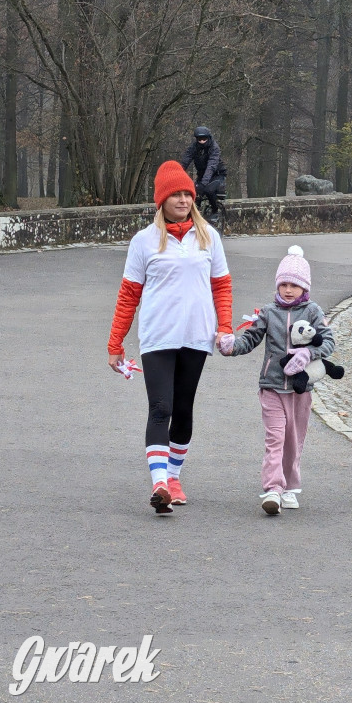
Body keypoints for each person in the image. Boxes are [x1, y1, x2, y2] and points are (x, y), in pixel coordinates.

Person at [107, 161, 233, 514]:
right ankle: (159, 482)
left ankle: (174, 475)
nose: (181, 199)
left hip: (196, 336)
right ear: (160, 201)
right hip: (158, 337)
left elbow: (221, 286)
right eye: (174, 194)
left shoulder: (209, 236)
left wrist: (225, 327)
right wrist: (115, 343)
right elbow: (129, 294)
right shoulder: (144, 241)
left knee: (183, 408)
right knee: (160, 407)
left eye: (186, 194)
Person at [217, 246, 336, 516]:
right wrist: (230, 346)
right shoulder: (269, 312)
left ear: (304, 287)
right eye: (283, 284)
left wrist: (308, 353)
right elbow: (250, 339)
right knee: (276, 438)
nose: (288, 290)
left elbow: (329, 342)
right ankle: (273, 488)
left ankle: (291, 487)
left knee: (293, 440)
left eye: (294, 285)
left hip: (300, 389)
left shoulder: (314, 312)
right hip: (271, 386)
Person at [181, 126, 226, 215]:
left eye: (204, 139)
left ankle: (215, 211)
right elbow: (185, 161)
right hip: (201, 174)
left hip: (216, 175)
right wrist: (177, 174)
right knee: (193, 193)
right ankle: (195, 214)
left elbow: (211, 166)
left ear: (208, 138)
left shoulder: (214, 148)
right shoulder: (194, 147)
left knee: (208, 190)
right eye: (199, 139)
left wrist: (203, 183)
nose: (201, 141)